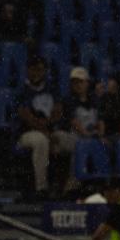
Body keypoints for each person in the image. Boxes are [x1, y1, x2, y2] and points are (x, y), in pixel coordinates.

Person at [15, 56, 74, 197]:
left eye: (40, 70)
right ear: (28, 70)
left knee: (74, 142)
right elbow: (27, 117)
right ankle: (41, 188)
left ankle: (71, 186)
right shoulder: (22, 90)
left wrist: (50, 132)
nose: (37, 73)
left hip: (50, 132)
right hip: (26, 134)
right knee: (41, 141)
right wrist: (47, 133)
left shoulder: (52, 89)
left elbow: (58, 111)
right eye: (34, 69)